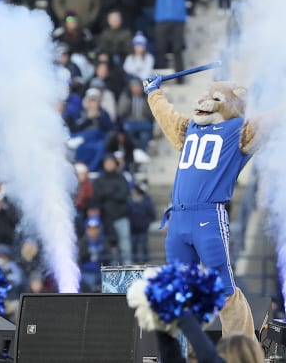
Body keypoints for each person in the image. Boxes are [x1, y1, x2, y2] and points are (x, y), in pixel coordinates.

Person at [144, 74, 257, 338]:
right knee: (180, 289)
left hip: (208, 214)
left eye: (215, 99)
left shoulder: (240, 129)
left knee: (224, 286)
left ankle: (243, 351)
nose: (204, 101)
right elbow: (167, 116)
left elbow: (273, 120)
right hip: (179, 216)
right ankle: (187, 351)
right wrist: (154, 93)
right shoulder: (190, 127)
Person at [93, 155, 132, 265]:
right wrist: (113, 192)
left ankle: (128, 269)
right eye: (107, 163)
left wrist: (107, 194)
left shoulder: (121, 178)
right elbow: (97, 195)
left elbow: (123, 195)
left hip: (121, 217)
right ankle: (113, 272)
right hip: (106, 219)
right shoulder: (99, 180)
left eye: (111, 163)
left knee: (125, 246)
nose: (109, 165)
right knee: (110, 247)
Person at [153, 0, 188, 79]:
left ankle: (180, 77)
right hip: (161, 17)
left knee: (177, 48)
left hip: (178, 17)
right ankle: (162, 78)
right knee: (161, 47)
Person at [117, 78, 154, 149]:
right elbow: (120, 112)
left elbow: (152, 114)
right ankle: (133, 151)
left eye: (138, 86)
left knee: (145, 136)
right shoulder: (126, 96)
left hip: (144, 123)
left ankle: (141, 152)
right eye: (134, 87)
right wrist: (128, 101)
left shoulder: (147, 97)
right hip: (130, 122)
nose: (136, 89)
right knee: (128, 132)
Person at [78, 216, 108, 292]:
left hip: (100, 272)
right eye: (90, 228)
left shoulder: (104, 241)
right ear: (86, 230)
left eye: (95, 228)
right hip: (86, 273)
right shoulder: (82, 242)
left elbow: (108, 257)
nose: (93, 231)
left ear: (99, 229)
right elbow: (79, 258)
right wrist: (88, 254)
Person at [129, 184, 155, 263]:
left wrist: (147, 223)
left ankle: (145, 261)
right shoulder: (130, 201)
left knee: (144, 246)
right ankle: (135, 261)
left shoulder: (146, 201)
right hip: (133, 228)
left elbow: (152, 214)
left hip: (143, 227)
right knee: (134, 246)